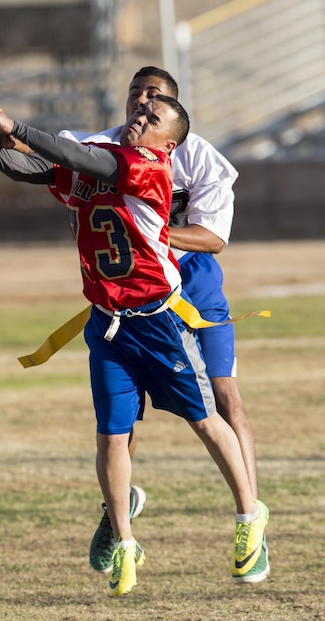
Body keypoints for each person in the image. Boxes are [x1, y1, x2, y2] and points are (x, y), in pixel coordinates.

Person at [0, 92, 268, 595]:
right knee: (111, 435)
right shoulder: (105, 160)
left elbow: (73, 155)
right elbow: (27, 169)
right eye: (137, 112)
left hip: (157, 323)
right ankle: (124, 542)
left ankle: (250, 514)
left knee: (205, 420)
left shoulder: (148, 165)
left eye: (153, 118)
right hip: (106, 324)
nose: (139, 119)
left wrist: (12, 124)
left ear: (171, 142)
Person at [77, 66, 259, 576]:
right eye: (135, 97)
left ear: (174, 117)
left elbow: (213, 237)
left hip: (189, 289)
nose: (141, 105)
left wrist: (153, 234)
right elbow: (57, 158)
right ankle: (116, 516)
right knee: (118, 424)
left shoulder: (199, 157)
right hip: (126, 296)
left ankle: (250, 516)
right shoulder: (105, 146)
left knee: (222, 398)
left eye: (154, 100)